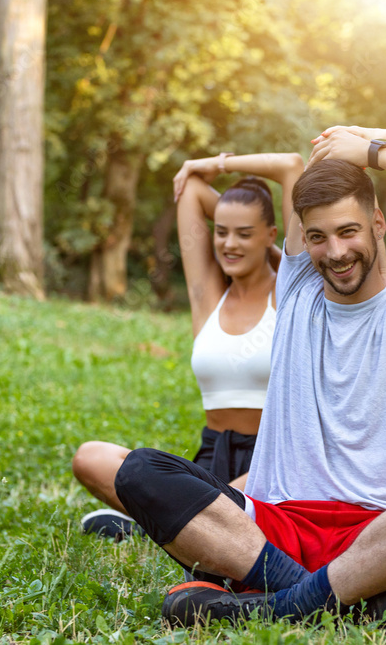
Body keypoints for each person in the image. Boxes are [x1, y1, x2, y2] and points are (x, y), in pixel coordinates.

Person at [111, 126, 386, 626]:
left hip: (379, 535)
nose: (334, 252)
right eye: (317, 237)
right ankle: (348, 602)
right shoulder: (297, 287)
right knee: (141, 471)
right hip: (268, 531)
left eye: (348, 231)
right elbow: (296, 171)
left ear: (378, 222)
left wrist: (375, 151)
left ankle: (272, 606)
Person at [71, 151, 304, 539]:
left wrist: (221, 163)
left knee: (222, 501)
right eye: (221, 231)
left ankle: (174, 522)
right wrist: (215, 187)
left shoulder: (291, 294)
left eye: (245, 233)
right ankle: (195, 521)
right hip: (211, 461)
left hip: (272, 463)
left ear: (271, 233)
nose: (229, 244)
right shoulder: (208, 297)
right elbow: (192, 190)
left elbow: (291, 166)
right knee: (89, 458)